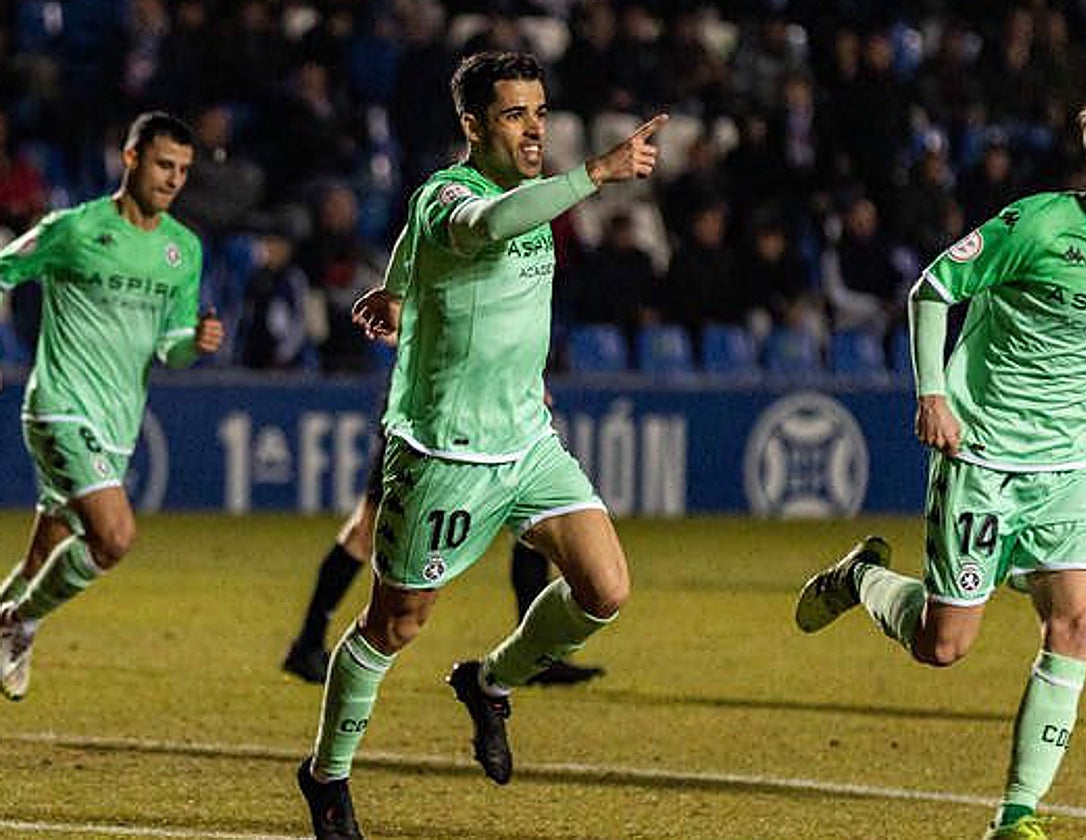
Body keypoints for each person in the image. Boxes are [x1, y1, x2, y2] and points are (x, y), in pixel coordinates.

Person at [296, 51, 664, 840]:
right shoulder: (452, 195)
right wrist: (597, 173)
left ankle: (489, 683)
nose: (534, 130)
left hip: (527, 440)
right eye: (513, 114)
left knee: (604, 590)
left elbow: (426, 259)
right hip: (445, 454)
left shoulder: (532, 197)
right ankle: (325, 776)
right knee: (394, 626)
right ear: (472, 125)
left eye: (540, 112)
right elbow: (481, 226)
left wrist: (398, 291)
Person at [794, 90, 1086, 840]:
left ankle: (1017, 814)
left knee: (1077, 622)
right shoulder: (1035, 225)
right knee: (944, 646)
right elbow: (932, 289)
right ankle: (861, 578)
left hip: (1073, 470)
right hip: (983, 456)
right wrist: (932, 395)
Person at [0, 111, 225, 701]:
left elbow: (170, 348)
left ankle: (12, 614)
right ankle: (17, 623)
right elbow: (4, 270)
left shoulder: (182, 250)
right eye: (163, 165)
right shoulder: (74, 229)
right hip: (59, 407)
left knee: (45, 555)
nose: (173, 179)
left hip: (118, 423)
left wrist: (195, 343)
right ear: (130, 159)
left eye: (183, 170)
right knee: (114, 537)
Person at [282, 435, 605, 687]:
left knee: (536, 522)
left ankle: (537, 657)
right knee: (365, 530)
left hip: (504, 415)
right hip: (428, 421)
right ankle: (308, 643)